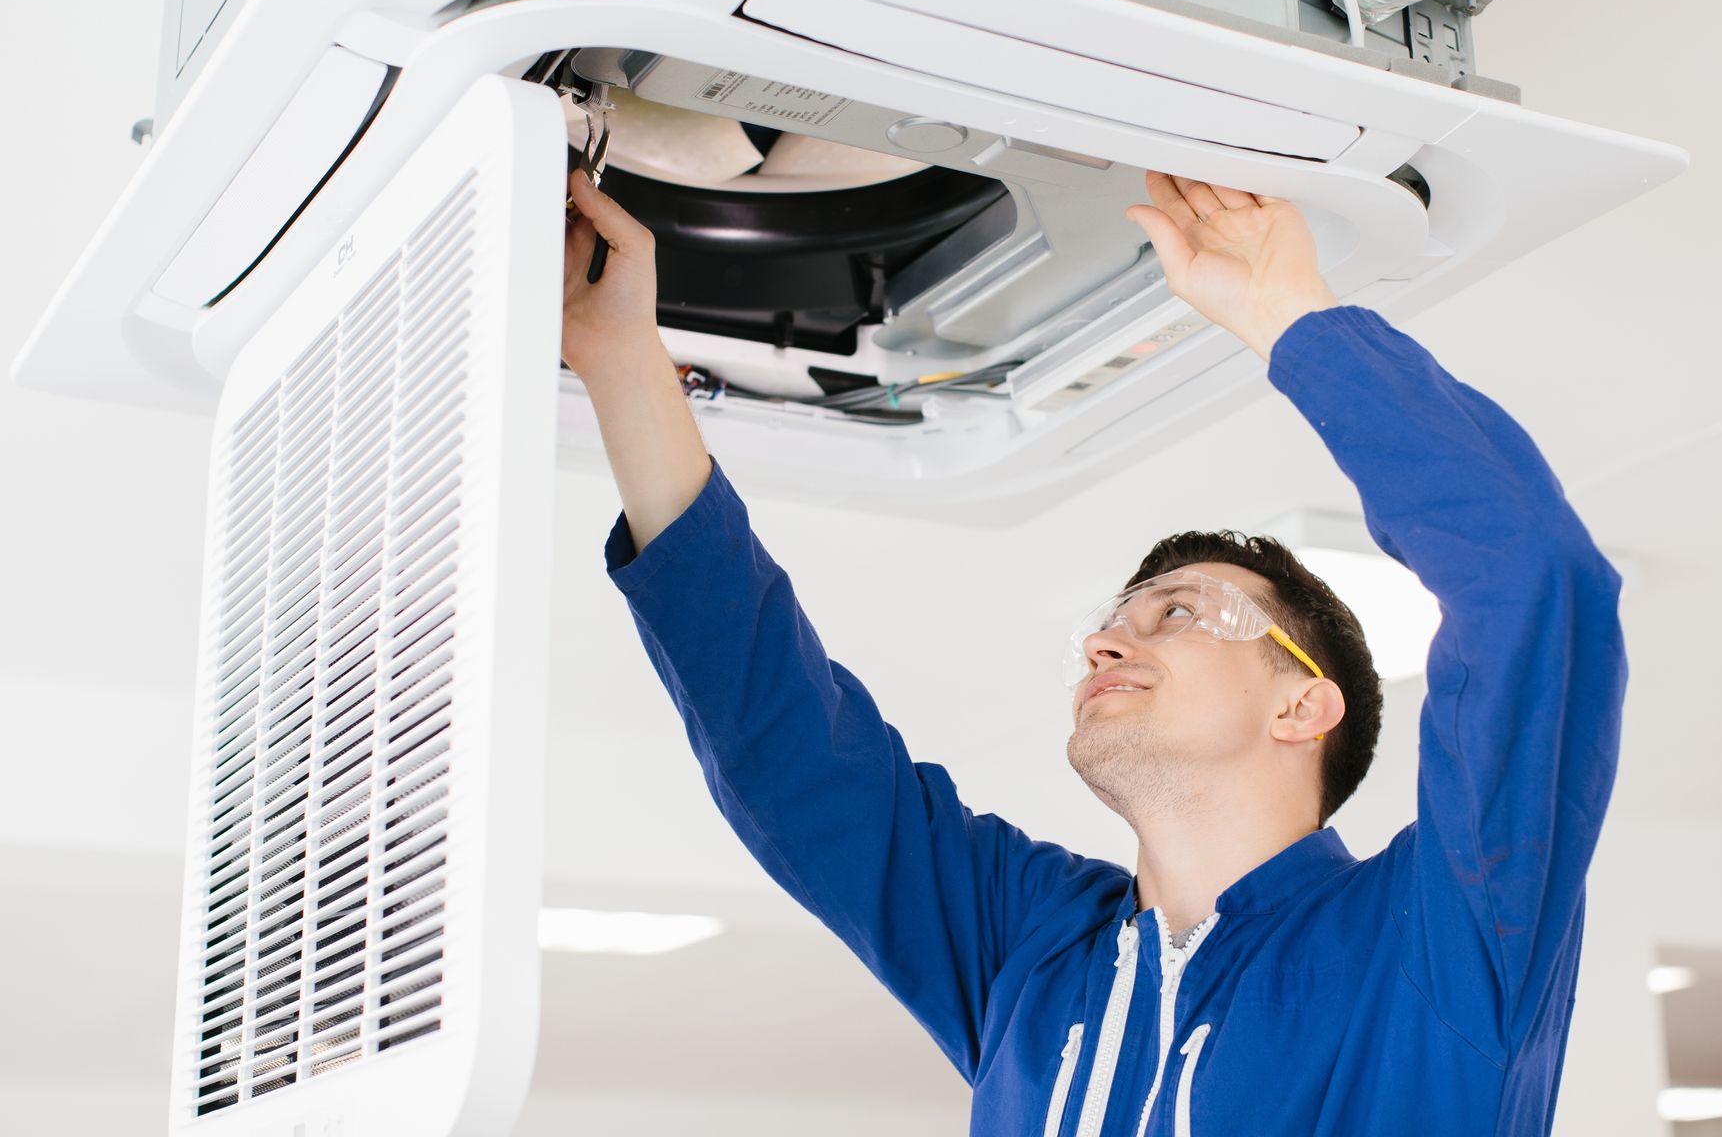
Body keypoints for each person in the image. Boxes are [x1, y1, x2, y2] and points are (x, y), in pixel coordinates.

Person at [560, 164, 1624, 1136]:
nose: (1108, 638)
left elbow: (1532, 579)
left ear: (1303, 706)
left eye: (1177, 611)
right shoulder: (1037, 949)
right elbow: (791, 759)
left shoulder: (1437, 939)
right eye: (1117, 616)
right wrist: (619, 364)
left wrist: (1288, 315)